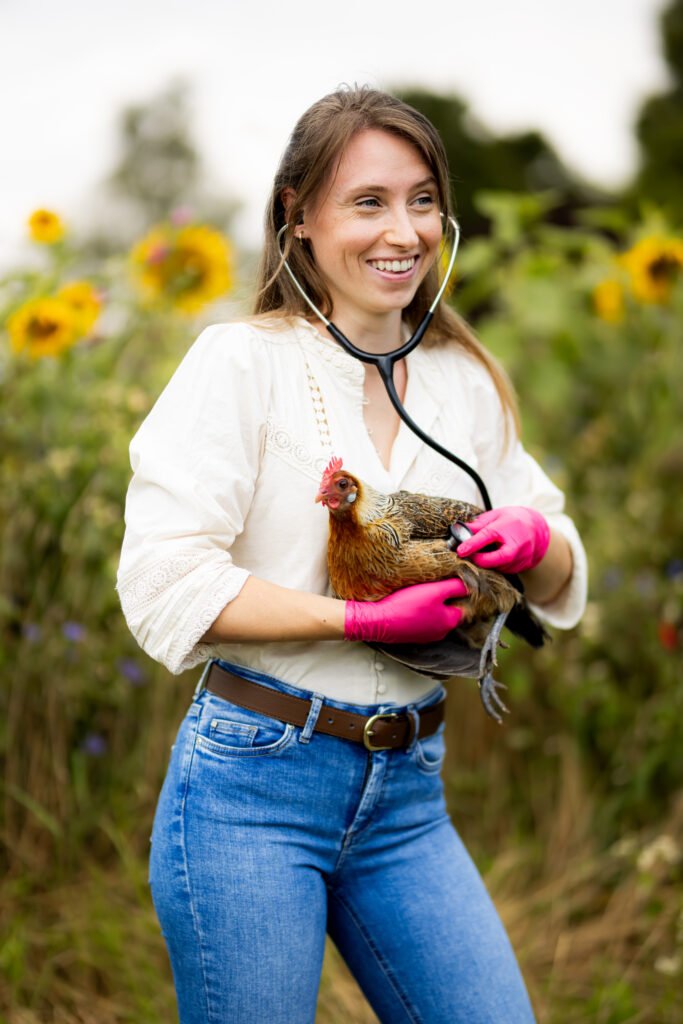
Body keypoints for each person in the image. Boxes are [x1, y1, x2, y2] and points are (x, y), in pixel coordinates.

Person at [117, 86, 587, 1024]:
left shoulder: (462, 380)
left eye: (421, 200)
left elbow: (563, 561)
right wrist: (358, 618)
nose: (402, 231)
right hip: (251, 786)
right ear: (298, 219)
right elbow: (162, 580)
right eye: (367, 202)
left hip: (406, 794)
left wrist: (536, 543)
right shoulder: (238, 363)